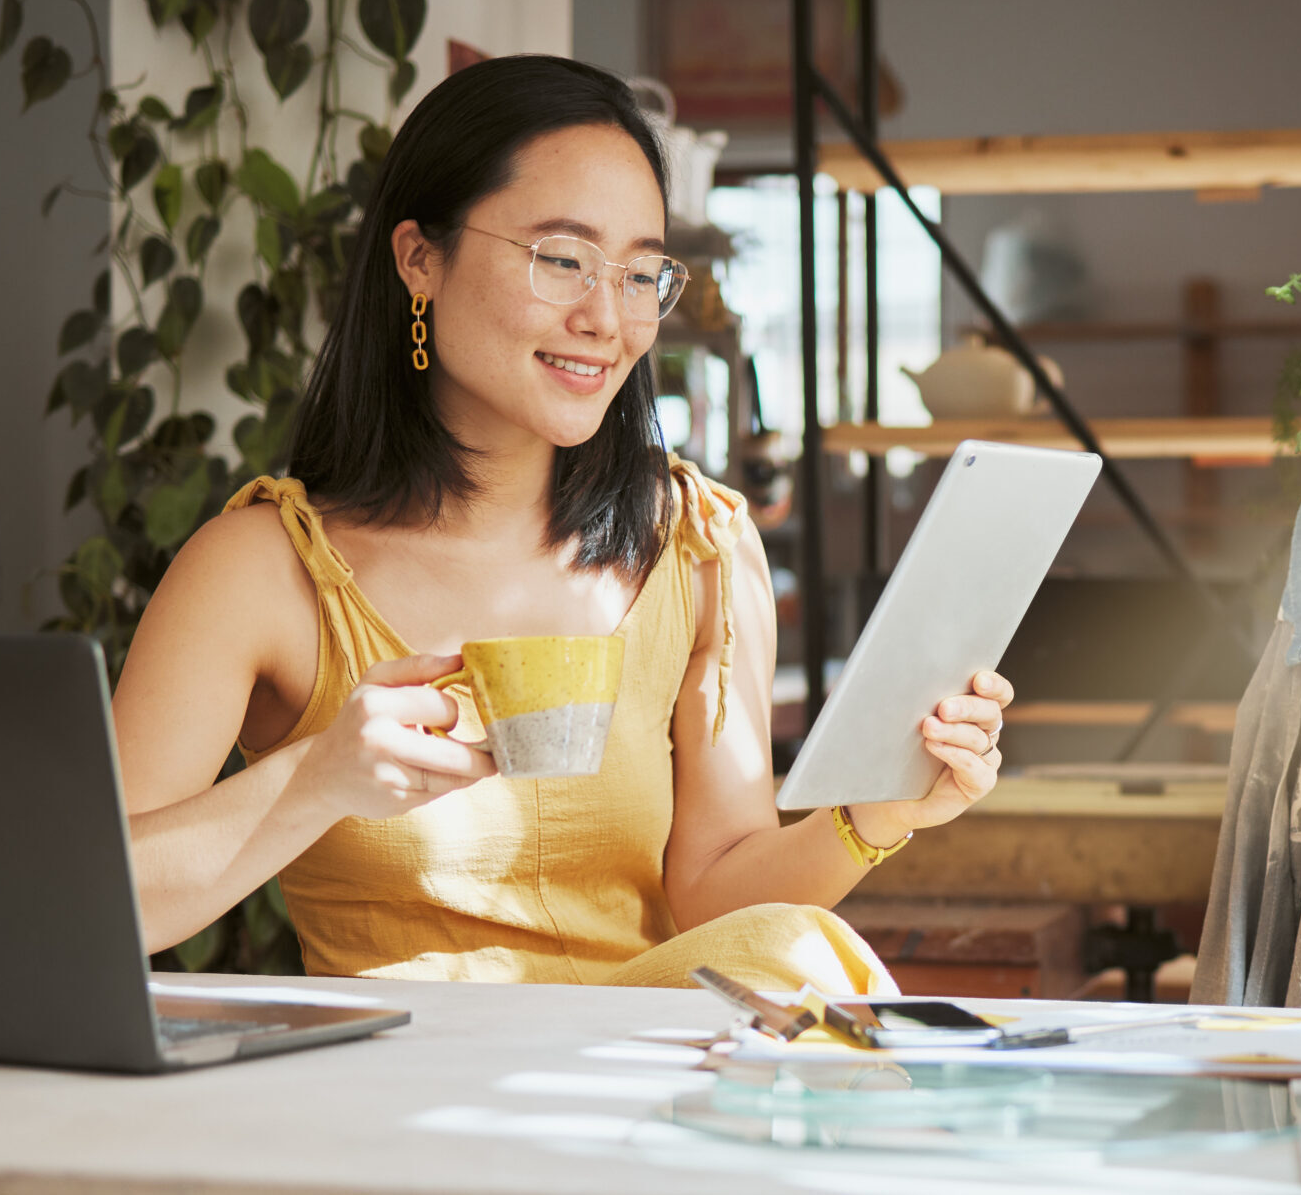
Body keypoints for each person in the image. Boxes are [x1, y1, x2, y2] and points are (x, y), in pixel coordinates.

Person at [111, 55, 1012, 993]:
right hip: (397, 1101)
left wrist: (876, 812)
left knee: (795, 956)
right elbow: (104, 901)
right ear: (420, 258)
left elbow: (716, 899)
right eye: (562, 259)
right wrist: (318, 778)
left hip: (640, 1093)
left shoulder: (698, 546)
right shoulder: (263, 570)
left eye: (640, 274)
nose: (605, 318)